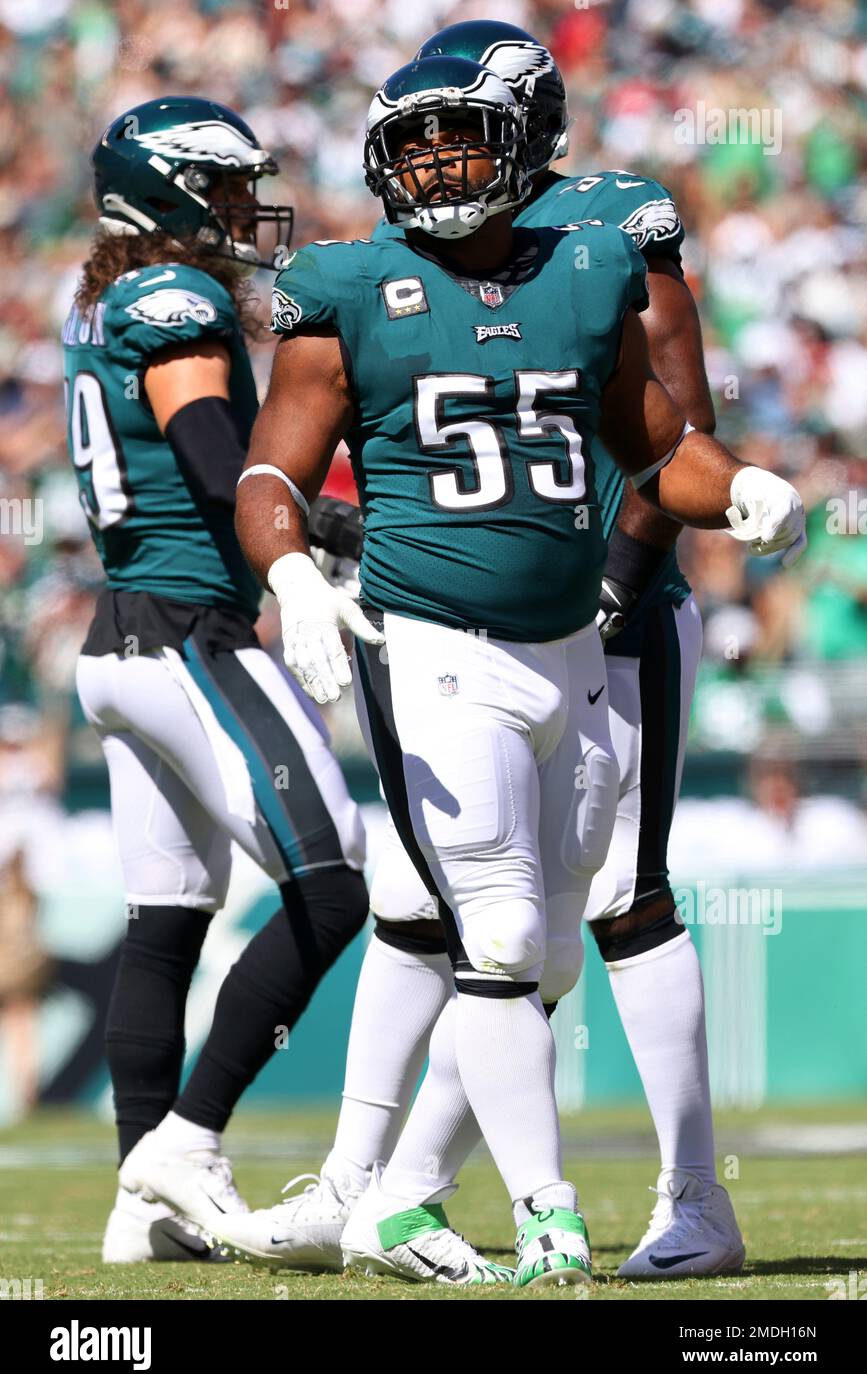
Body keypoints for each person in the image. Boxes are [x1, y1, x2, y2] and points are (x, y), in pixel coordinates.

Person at [216, 56, 805, 1288]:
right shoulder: (347, 284)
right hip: (436, 637)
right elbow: (270, 474)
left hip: (584, 634)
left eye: (462, 138)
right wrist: (289, 573)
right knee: (467, 919)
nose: (438, 166)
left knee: (547, 937)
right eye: (415, 145)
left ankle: (400, 1194)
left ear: (526, 137)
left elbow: (661, 444)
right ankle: (512, 1207)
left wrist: (733, 488)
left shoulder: (595, 260)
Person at [63, 96, 369, 1263]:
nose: (248, 208)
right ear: (177, 189)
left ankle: (142, 1206)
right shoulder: (175, 302)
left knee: (167, 919)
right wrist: (314, 536)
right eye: (229, 186)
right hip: (190, 632)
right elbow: (207, 454)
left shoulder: (97, 298)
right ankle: (184, 1143)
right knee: (333, 882)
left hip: (120, 641)